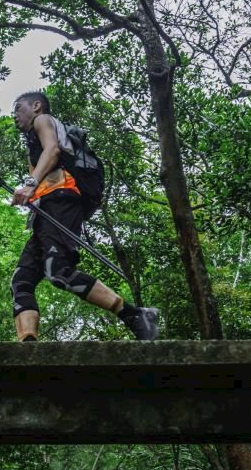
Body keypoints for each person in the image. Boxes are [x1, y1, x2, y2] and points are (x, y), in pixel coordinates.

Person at [9, 91, 159, 342]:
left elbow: (53, 151)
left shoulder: (43, 119)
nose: (15, 116)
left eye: (18, 108)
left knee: (57, 271)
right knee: (21, 279)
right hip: (46, 212)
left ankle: (134, 315)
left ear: (35, 106)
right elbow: (39, 176)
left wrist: (30, 184)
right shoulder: (31, 143)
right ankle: (28, 345)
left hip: (63, 202)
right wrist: (26, 193)